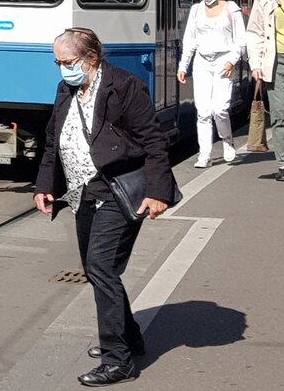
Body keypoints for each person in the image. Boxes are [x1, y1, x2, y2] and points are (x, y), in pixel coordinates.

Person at [34, 27, 176, 387]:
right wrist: (45, 185)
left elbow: (153, 141)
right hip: (83, 191)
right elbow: (54, 139)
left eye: (67, 62)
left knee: (100, 267)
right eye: (57, 62)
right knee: (98, 268)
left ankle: (118, 361)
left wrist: (158, 192)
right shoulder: (67, 88)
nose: (62, 69)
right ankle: (129, 338)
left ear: (91, 58)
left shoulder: (125, 87)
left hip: (119, 188)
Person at [176, 0, 245, 167]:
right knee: (203, 111)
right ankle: (204, 155)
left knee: (220, 109)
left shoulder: (231, 9)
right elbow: (190, 40)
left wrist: (232, 60)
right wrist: (183, 66)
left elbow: (240, 40)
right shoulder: (196, 10)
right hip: (202, 62)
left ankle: (227, 140)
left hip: (224, 61)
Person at [245, 0, 284, 182]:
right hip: (276, 60)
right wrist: (256, 63)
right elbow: (255, 32)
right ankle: (283, 163)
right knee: (280, 113)